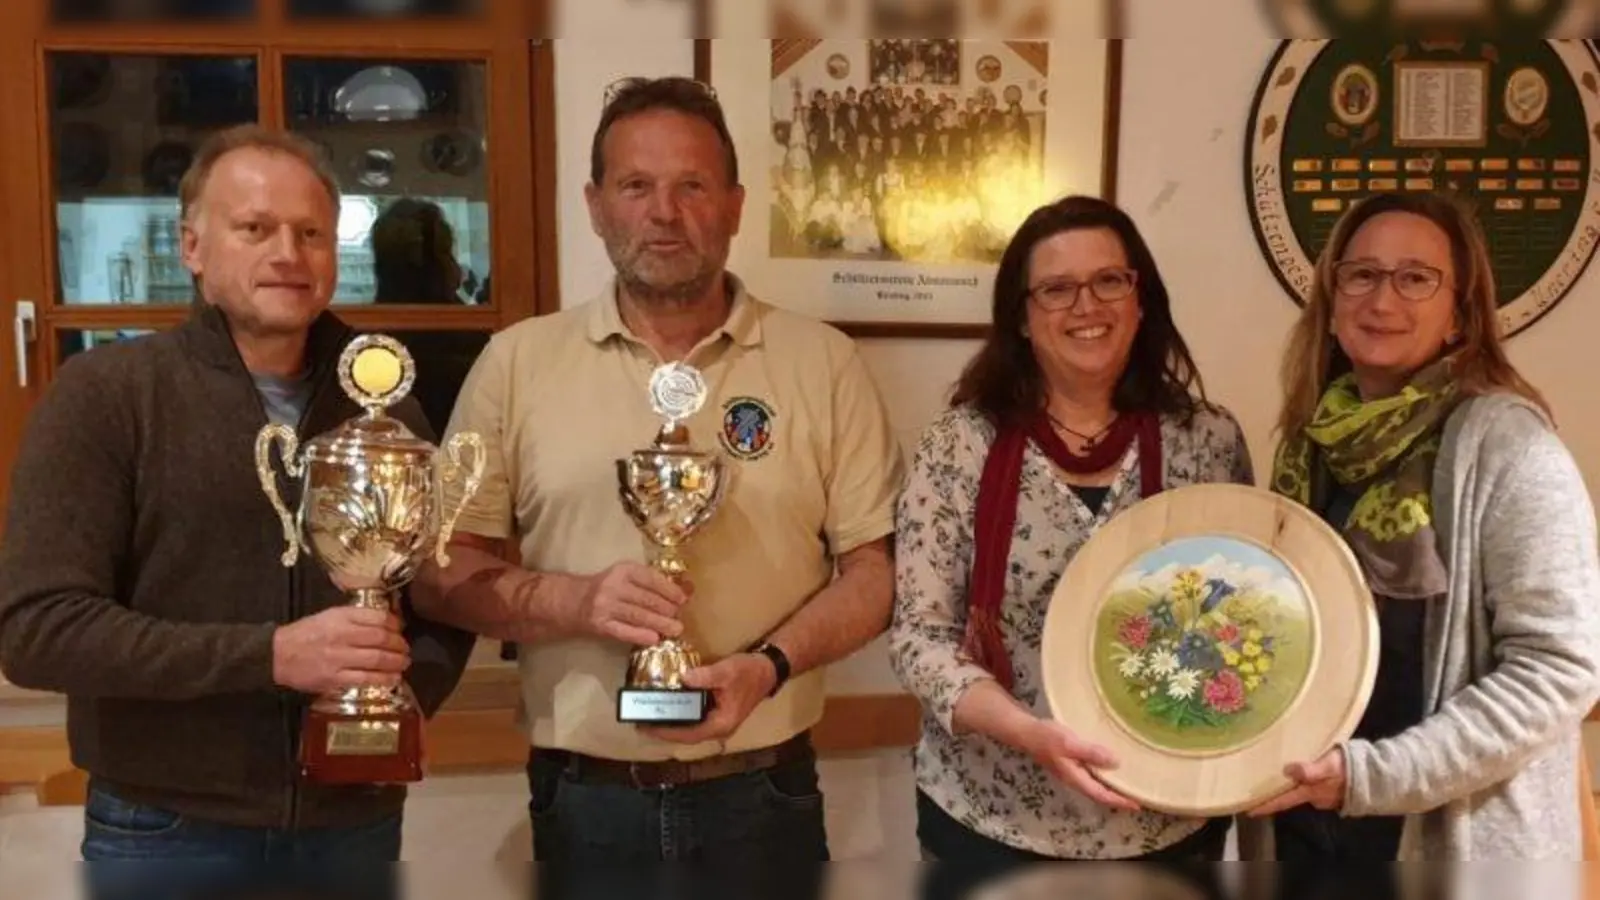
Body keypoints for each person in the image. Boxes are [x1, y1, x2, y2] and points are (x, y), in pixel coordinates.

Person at [409, 76, 903, 895]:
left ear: (737, 205)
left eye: (692, 186)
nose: (664, 212)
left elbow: (875, 572)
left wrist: (768, 667)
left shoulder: (823, 362)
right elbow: (440, 572)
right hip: (584, 800)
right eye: (636, 186)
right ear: (596, 205)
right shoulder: (518, 363)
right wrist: (572, 602)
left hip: (767, 791)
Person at [0, 125, 476, 897]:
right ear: (192, 247)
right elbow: (38, 631)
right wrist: (271, 656)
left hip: (353, 822)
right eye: (254, 229)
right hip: (164, 829)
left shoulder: (385, 408)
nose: (287, 253)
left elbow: (441, 595)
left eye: (311, 232)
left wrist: (402, 698)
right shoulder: (108, 396)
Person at [889, 195, 1252, 895]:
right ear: (1022, 319)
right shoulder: (960, 445)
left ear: (1140, 299)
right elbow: (918, 639)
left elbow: (1237, 614)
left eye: (1109, 280)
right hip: (990, 821)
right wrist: (1030, 733)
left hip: (1168, 821)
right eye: (1057, 289)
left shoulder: (1207, 440)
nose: (1086, 305)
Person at [1242, 191, 1600, 867]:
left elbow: (1561, 671)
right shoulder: (1308, 447)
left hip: (1449, 851)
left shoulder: (1512, 449)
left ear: (1460, 315)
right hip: (1309, 837)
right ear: (1333, 295)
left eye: (1415, 278)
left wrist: (1370, 776)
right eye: (1363, 274)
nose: (1383, 300)